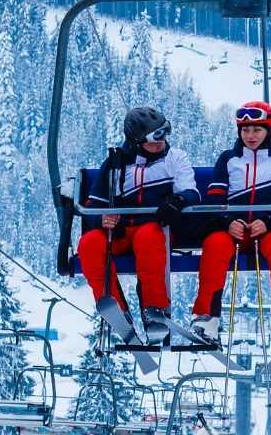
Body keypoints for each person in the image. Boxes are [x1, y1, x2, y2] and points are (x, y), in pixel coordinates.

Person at [190, 100, 271, 343]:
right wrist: (226, 222)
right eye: (245, 130)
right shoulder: (229, 160)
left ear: (269, 131)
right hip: (233, 230)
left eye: (257, 130)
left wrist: (270, 223)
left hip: (268, 229)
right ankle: (206, 318)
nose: (250, 136)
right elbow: (215, 199)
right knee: (215, 246)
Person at [77, 106, 198, 337]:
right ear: (136, 141)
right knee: (90, 244)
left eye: (164, 135)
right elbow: (93, 208)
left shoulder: (175, 159)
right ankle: (116, 310)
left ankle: (155, 309)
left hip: (156, 228)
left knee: (148, 237)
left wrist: (177, 201)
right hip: (121, 232)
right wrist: (103, 219)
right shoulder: (116, 165)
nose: (161, 143)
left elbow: (191, 192)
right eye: (155, 138)